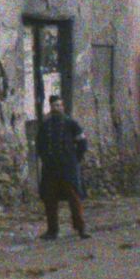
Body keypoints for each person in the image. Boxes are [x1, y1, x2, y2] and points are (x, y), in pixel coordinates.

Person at [34, 93, 90, 240]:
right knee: (50, 199)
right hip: (51, 169)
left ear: (63, 106)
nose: (57, 108)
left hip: (68, 168)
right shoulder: (45, 126)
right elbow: (40, 145)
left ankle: (81, 228)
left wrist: (74, 159)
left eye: (59, 105)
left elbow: (82, 144)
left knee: (74, 198)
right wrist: (46, 159)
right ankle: (52, 231)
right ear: (50, 107)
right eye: (54, 106)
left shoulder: (71, 124)